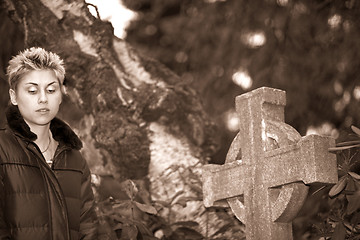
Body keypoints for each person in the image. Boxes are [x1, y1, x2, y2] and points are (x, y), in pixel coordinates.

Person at [0, 47, 98, 240]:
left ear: (60, 95)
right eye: (32, 90)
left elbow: (89, 228)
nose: (43, 99)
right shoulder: (2, 150)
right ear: (13, 97)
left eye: (51, 90)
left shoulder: (74, 157)